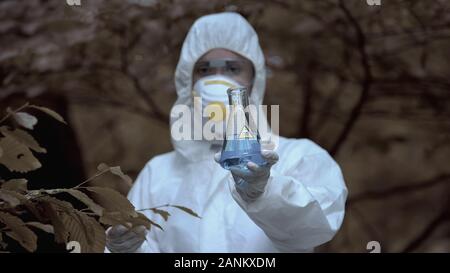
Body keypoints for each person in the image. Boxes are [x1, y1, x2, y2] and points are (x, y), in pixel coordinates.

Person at [105, 12, 347, 253]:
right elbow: (143, 242)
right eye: (204, 70)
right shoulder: (157, 173)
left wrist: (265, 194)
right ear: (187, 82)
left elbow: (315, 227)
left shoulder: (299, 156)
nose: (216, 80)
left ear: (254, 80)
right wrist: (127, 250)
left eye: (232, 69)